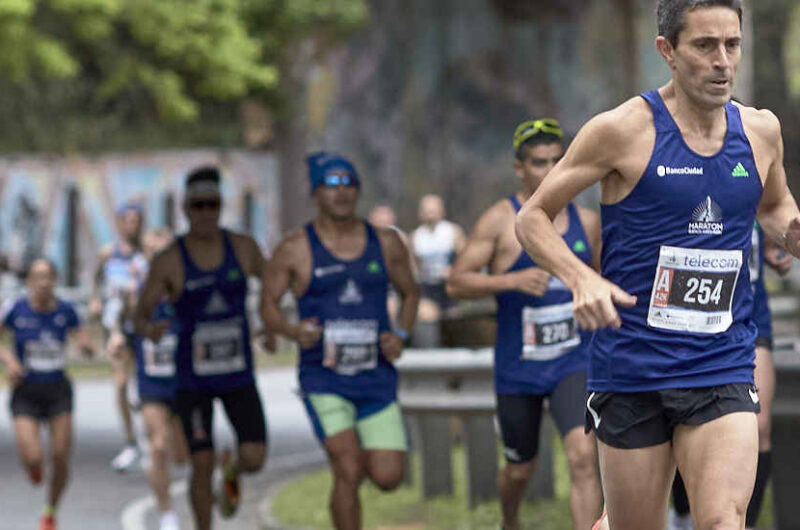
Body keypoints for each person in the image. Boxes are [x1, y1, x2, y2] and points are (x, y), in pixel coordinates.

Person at [514, 1, 800, 529]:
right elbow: (533, 219)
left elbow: (775, 206)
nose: (722, 61)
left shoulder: (760, 131)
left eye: (732, 45)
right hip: (633, 365)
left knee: (721, 521)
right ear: (667, 50)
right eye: (704, 46)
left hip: (722, 359)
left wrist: (792, 230)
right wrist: (582, 278)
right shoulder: (621, 130)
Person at [447, 119, 603, 530]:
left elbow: (604, 282)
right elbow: (456, 281)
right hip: (519, 367)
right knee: (519, 470)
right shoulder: (500, 220)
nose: (550, 170)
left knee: (583, 459)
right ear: (519, 167)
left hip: (574, 360)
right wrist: (510, 280)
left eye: (557, 160)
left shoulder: (586, 222)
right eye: (539, 162)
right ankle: (510, 518)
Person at [261, 152, 419, 530]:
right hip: (323, 378)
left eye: (349, 182)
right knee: (347, 467)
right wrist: (293, 331)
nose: (342, 191)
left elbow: (411, 293)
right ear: (315, 192)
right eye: (331, 184)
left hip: (375, 378)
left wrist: (400, 334)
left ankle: (348, 482)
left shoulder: (386, 242)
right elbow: (267, 305)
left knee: (388, 476)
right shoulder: (295, 248)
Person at [134, 167, 269, 530]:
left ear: (221, 206)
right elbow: (139, 316)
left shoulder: (242, 248)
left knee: (255, 457)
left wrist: (271, 324)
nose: (205, 213)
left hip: (238, 375)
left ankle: (234, 470)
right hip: (193, 380)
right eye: (198, 206)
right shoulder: (170, 260)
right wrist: (151, 329)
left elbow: (272, 286)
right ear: (186, 209)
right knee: (201, 462)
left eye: (212, 205)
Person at [668, 222, 793, 530]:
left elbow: (774, 208)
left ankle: (741, 522)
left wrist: (777, 240)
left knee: (758, 422)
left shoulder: (763, 172)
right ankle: (683, 515)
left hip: (747, 315)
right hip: (689, 315)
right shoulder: (680, 175)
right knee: (682, 423)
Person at [0, 259, 94, 530]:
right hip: (26, 392)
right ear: (29, 281)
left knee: (61, 455)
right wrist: (9, 361)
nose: (43, 282)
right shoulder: (15, 309)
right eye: (37, 277)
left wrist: (86, 346)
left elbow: (83, 339)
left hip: (57, 392)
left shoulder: (67, 310)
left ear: (54, 280)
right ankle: (34, 467)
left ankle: (50, 511)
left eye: (48, 277)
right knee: (32, 457)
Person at [134, 227, 189, 530]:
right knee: (157, 446)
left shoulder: (189, 290)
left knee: (182, 457)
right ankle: (167, 513)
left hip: (186, 383)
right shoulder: (137, 295)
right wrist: (117, 340)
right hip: (151, 382)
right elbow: (121, 326)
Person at [91, 202, 148, 472]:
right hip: (115, 326)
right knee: (121, 382)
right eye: (128, 221)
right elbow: (96, 280)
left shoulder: (146, 254)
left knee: (145, 385)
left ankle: (151, 439)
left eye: (136, 221)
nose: (132, 226)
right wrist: (95, 301)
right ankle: (130, 442)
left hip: (142, 324)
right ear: (120, 223)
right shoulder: (108, 253)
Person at [410, 194, 465, 320]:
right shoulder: (416, 236)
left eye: (433, 210)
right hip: (427, 287)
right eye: (426, 210)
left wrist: (455, 270)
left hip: (448, 286)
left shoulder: (453, 231)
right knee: (428, 317)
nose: (430, 213)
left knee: (451, 321)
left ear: (441, 211)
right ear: (420, 213)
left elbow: (466, 257)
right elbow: (412, 264)